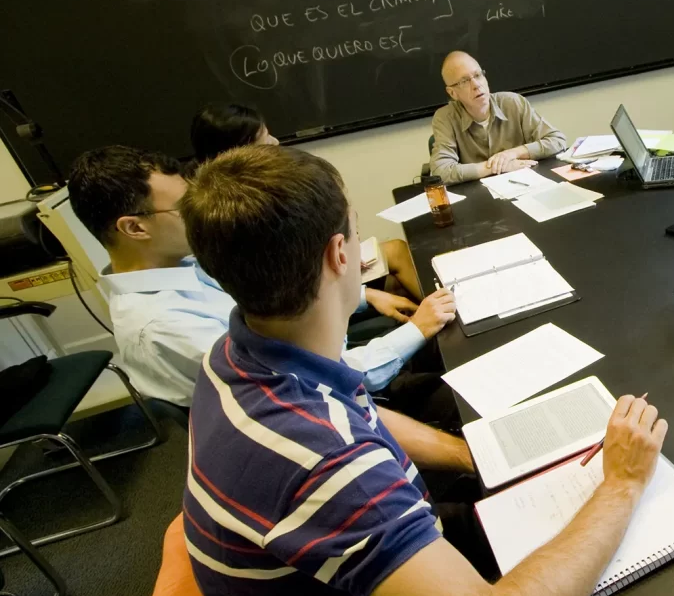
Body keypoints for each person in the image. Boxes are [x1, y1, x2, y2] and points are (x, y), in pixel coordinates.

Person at [178, 144, 667, 596]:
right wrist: (622, 484)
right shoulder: (324, 462)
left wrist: (472, 455)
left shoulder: (237, 357)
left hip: (351, 580)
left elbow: (360, 413)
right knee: (640, 590)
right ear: (340, 254)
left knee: (552, 493)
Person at [66, 145, 455, 407]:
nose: (198, 213)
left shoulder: (184, 265)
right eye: (183, 208)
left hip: (337, 372)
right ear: (134, 228)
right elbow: (319, 383)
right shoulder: (163, 328)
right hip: (338, 406)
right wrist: (416, 331)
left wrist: (364, 298)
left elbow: (285, 302)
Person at [190, 102, 424, 301]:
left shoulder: (217, 196)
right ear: (239, 153)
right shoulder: (247, 208)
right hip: (305, 287)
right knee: (396, 256)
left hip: (319, 267)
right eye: (264, 140)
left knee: (399, 275)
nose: (275, 143)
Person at [427, 51, 567, 184]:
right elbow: (441, 172)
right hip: (479, 198)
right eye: (464, 81)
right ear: (452, 93)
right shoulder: (445, 118)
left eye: (477, 75)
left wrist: (512, 154)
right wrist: (496, 166)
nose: (476, 85)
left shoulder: (512, 102)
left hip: (525, 186)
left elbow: (557, 141)